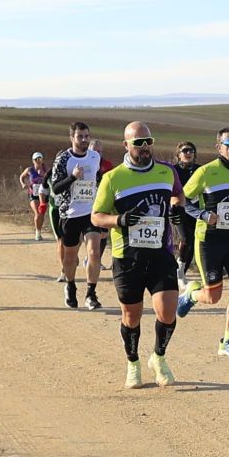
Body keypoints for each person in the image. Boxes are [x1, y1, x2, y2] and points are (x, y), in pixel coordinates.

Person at [91, 121, 183, 389]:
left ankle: (159, 357)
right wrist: (120, 220)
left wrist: (177, 207)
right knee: (131, 316)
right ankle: (133, 363)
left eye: (148, 141)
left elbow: (178, 195)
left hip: (160, 253)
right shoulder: (113, 178)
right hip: (127, 257)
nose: (145, 147)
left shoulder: (167, 172)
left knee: (167, 311)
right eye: (138, 142)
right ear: (126, 145)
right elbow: (96, 217)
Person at [176, 127, 229, 358]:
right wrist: (202, 215)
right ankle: (192, 295)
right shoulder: (205, 172)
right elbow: (183, 200)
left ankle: (227, 340)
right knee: (212, 297)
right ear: (218, 147)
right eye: (228, 143)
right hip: (209, 241)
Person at [49, 122, 106, 310]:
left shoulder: (94, 156)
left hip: (91, 212)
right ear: (72, 138)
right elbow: (56, 189)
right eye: (80, 136)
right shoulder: (63, 159)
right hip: (70, 213)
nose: (84, 140)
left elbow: (97, 179)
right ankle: (70, 285)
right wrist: (72, 177)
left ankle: (91, 293)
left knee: (94, 252)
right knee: (70, 257)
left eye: (86, 136)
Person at [170, 141, 200, 278]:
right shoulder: (173, 170)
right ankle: (179, 268)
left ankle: (182, 271)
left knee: (194, 241)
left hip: (196, 210)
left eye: (191, 151)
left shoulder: (201, 170)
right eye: (185, 151)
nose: (188, 153)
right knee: (186, 238)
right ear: (178, 154)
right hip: (179, 210)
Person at [19, 151, 50, 240]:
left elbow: (52, 178)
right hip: (33, 193)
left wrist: (44, 175)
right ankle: (37, 232)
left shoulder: (46, 169)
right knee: (37, 213)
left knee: (42, 213)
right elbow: (21, 176)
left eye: (40, 159)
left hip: (44, 194)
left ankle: (39, 231)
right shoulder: (29, 170)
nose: (38, 161)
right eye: (36, 159)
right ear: (33, 160)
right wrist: (23, 184)